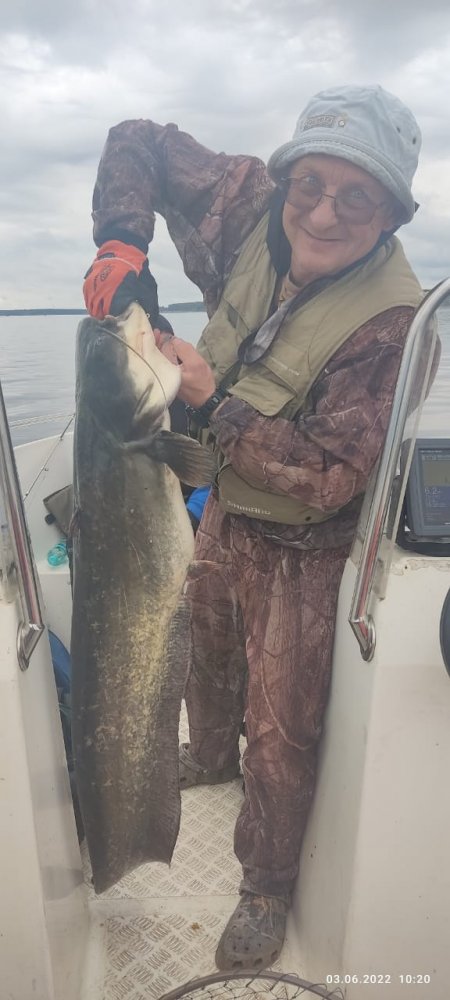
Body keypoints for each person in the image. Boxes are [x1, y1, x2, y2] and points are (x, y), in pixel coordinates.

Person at [83, 85, 428, 971]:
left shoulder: (394, 326)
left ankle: (266, 886)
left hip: (304, 549)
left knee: (279, 733)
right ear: (285, 177)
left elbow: (329, 476)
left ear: (391, 214)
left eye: (357, 198)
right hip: (224, 508)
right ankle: (205, 755)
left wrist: (213, 404)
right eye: (310, 183)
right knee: (199, 642)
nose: (323, 212)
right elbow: (137, 139)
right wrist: (121, 243)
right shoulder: (245, 207)